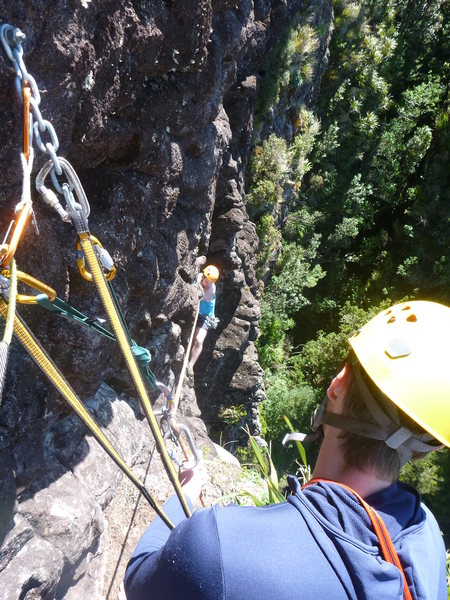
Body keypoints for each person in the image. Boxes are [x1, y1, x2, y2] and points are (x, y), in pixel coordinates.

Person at [124, 300, 449, 600]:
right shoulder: (425, 539)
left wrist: (185, 494)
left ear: (339, 382)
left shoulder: (219, 551)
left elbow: (140, 578)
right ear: (428, 447)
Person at [188, 264, 219, 369]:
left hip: (205, 316)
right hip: (194, 309)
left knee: (198, 340)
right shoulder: (198, 276)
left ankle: (190, 365)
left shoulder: (211, 291)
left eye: (210, 283)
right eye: (207, 281)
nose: (207, 284)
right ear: (203, 276)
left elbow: (197, 298)